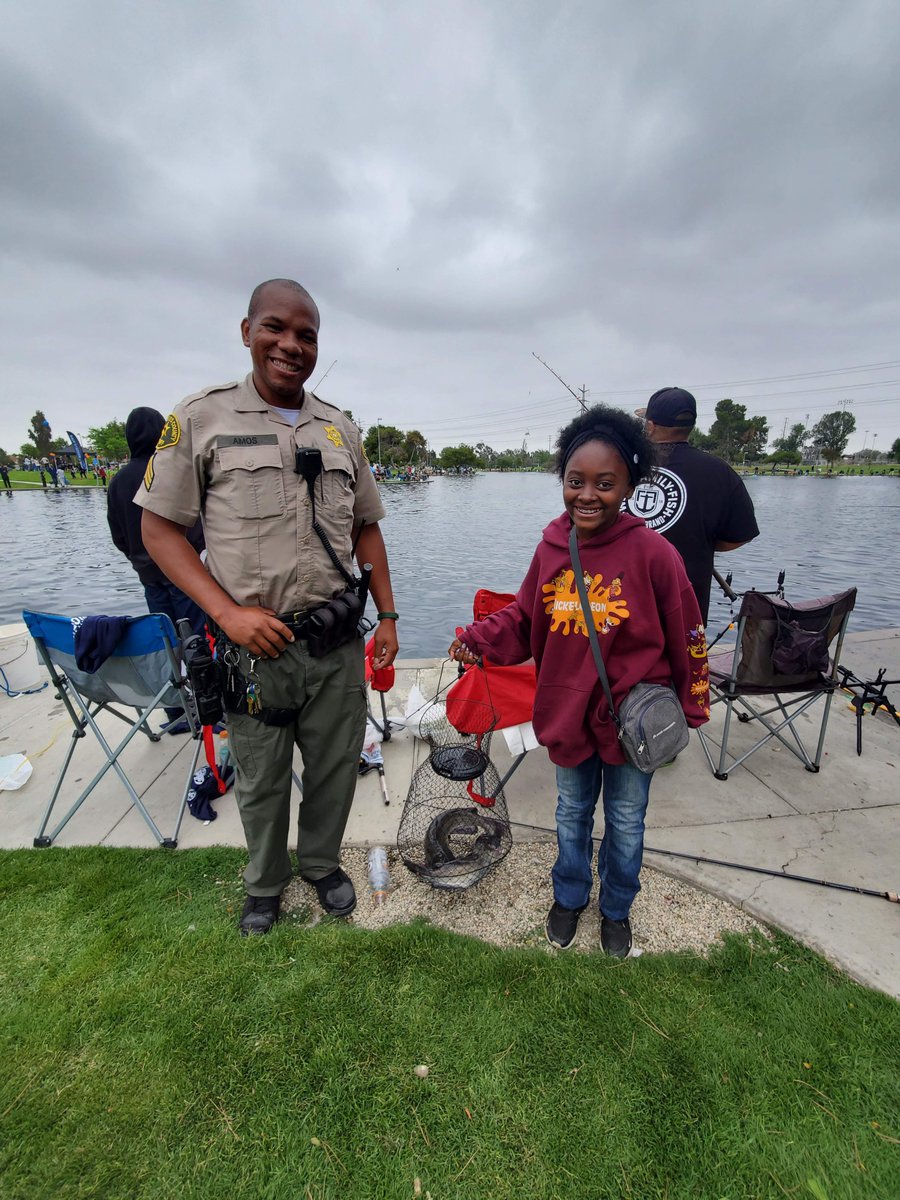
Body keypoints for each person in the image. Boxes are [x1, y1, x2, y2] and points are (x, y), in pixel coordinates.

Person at [137, 277, 399, 936]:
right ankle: (264, 882)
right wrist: (227, 615)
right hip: (255, 651)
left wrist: (389, 617)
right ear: (247, 331)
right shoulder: (201, 418)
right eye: (275, 328)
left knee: (338, 767)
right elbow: (158, 529)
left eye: (306, 335)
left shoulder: (339, 427)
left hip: (337, 646)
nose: (290, 345)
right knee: (260, 777)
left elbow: (366, 526)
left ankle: (320, 864)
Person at [449, 406, 709, 957]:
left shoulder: (654, 555)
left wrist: (691, 707)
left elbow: (689, 632)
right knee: (570, 815)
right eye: (575, 481)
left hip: (631, 723)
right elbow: (523, 618)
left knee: (626, 819)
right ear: (562, 481)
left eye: (605, 484)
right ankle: (568, 899)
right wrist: (477, 638)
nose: (587, 495)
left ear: (630, 486)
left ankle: (616, 909)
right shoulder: (550, 550)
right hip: (567, 717)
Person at [107, 407, 208, 733]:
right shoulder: (167, 471)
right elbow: (195, 526)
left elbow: (118, 535)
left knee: (166, 642)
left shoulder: (118, 481)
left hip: (148, 576)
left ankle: (177, 712)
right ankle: (209, 708)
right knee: (196, 641)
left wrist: (139, 557)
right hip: (184, 574)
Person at [623, 387, 759, 623]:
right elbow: (741, 534)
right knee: (686, 659)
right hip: (686, 613)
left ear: (651, 426)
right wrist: (701, 544)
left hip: (617, 607)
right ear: (690, 426)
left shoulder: (622, 463)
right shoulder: (719, 471)